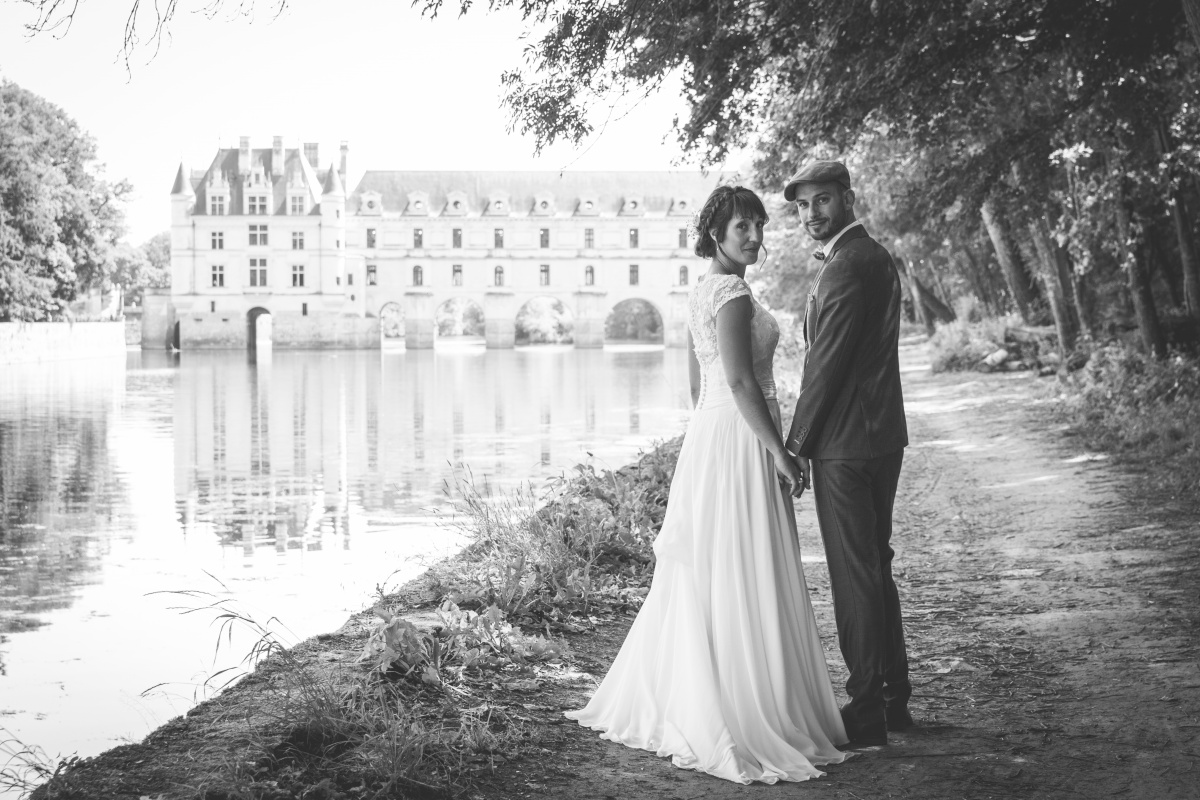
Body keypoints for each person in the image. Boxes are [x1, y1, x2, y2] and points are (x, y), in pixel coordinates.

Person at [565, 185, 850, 784]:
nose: (754, 236)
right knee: (744, 564)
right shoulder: (734, 295)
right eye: (742, 227)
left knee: (718, 565)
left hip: (713, 437)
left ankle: (711, 688)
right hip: (743, 437)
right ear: (715, 236)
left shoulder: (700, 292)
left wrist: (718, 439)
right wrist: (780, 453)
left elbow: (700, 387)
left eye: (757, 226)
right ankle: (745, 703)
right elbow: (744, 385)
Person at [782, 160, 912, 747]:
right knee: (874, 566)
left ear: (848, 198)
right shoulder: (877, 256)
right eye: (803, 206)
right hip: (882, 435)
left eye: (822, 201)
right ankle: (892, 699)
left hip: (845, 444)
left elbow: (824, 367)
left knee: (854, 573)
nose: (811, 214)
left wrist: (796, 446)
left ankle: (865, 712)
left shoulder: (844, 266)